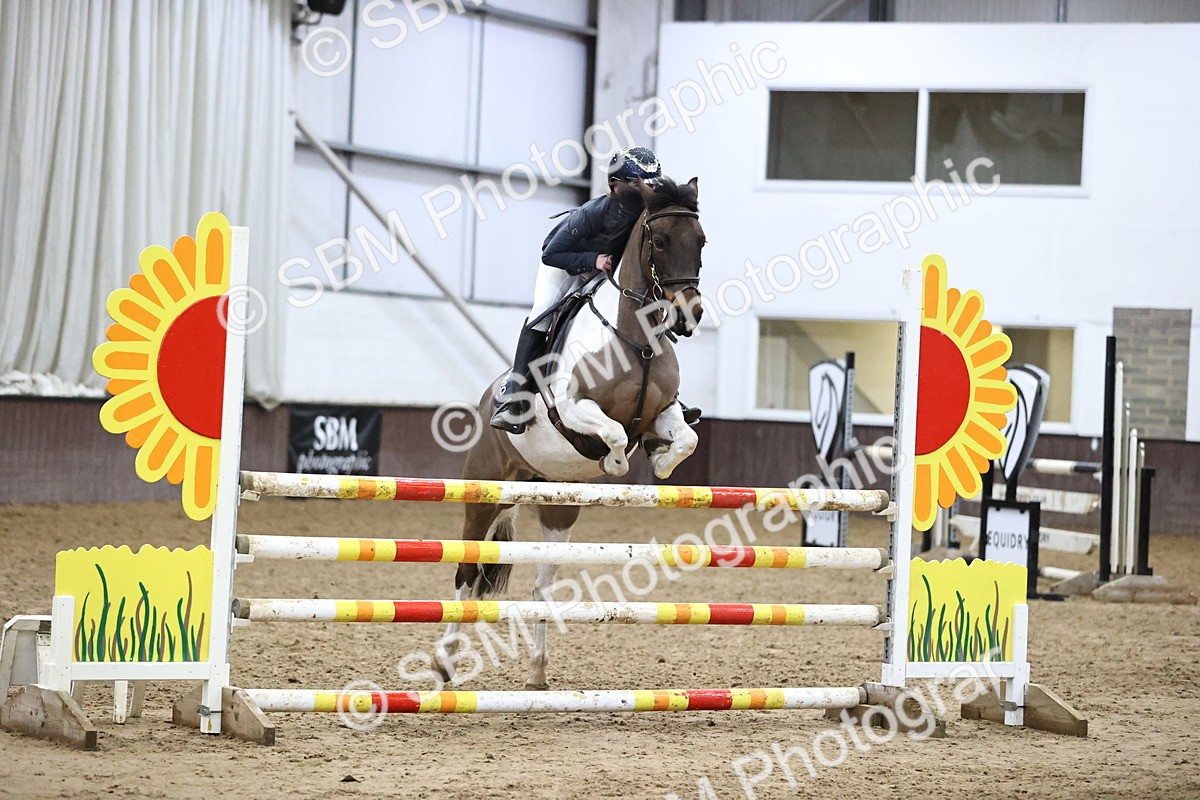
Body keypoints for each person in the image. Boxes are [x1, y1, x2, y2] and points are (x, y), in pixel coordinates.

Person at [489, 146, 663, 434]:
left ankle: (664, 394)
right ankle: (515, 394)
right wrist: (590, 260)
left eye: (651, 183)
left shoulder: (646, 216)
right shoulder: (592, 213)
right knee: (542, 314)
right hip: (564, 267)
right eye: (637, 184)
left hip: (603, 273)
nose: (646, 190)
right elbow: (550, 254)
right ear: (615, 185)